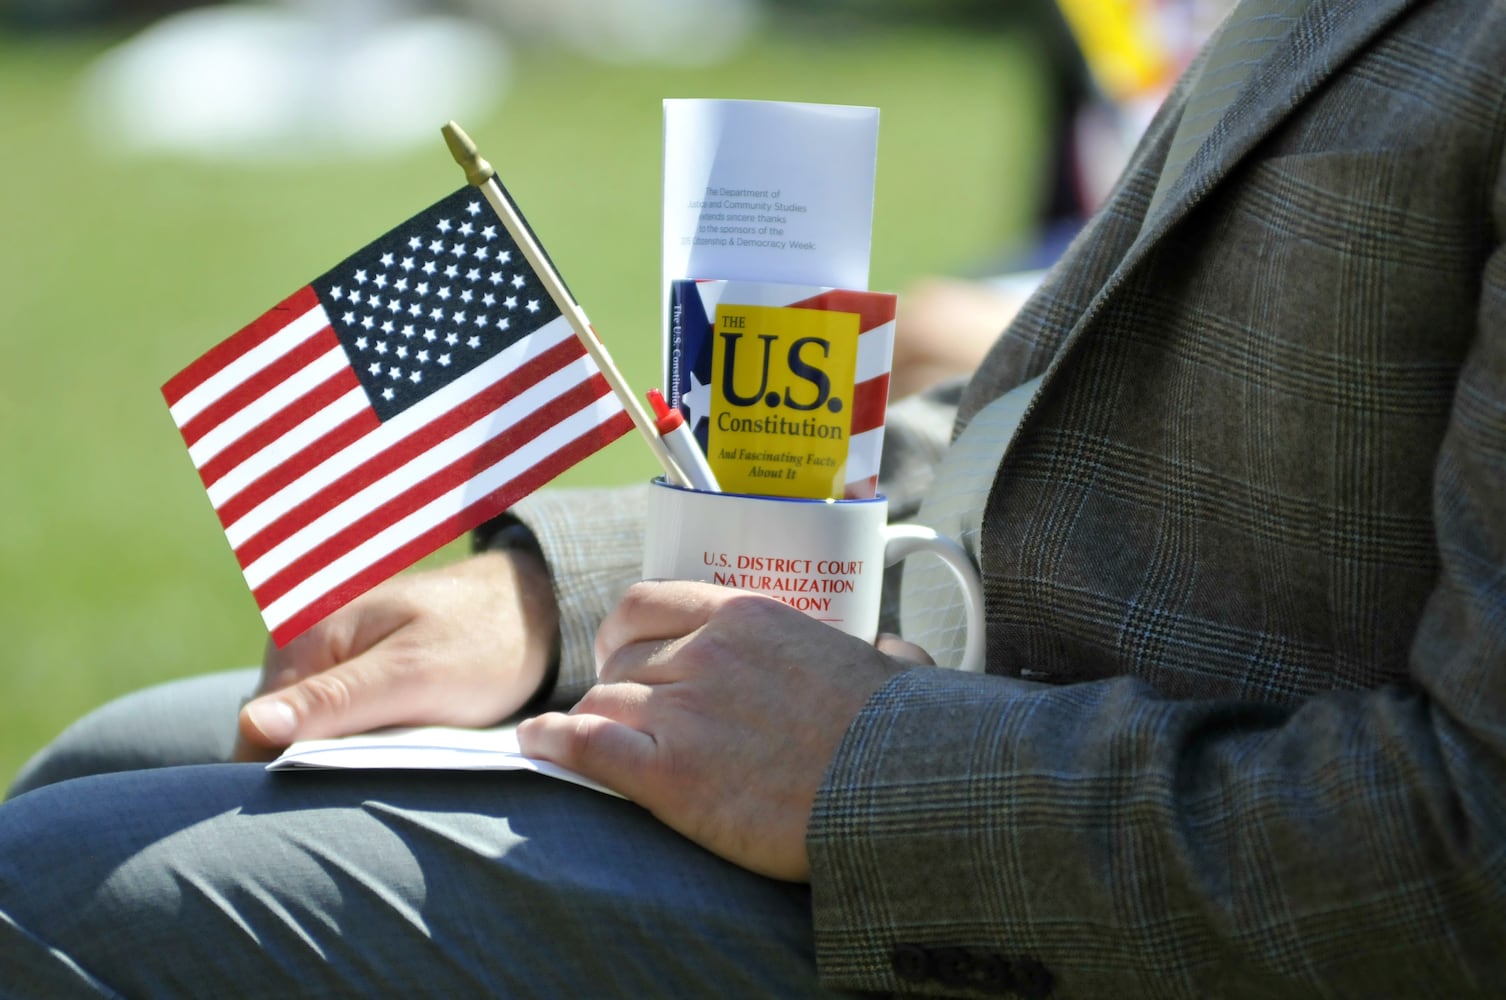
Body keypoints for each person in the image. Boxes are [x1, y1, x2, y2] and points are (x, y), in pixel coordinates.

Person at [5, 0, 1505, 995]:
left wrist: (864, 769)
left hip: (1084, 878)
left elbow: (1472, 856)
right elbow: (1106, 418)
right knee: (111, 758)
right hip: (971, 708)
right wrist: (575, 590)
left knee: (60, 890)